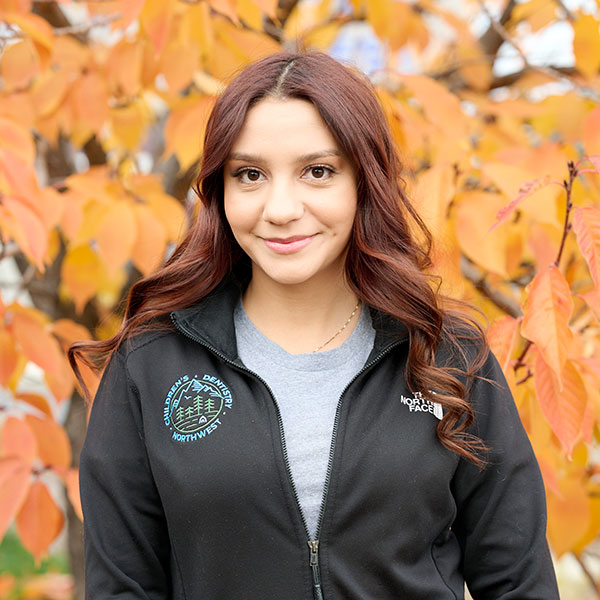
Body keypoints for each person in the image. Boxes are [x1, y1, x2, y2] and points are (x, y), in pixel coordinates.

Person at [71, 51, 559, 599]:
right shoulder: (151, 364)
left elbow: (519, 583)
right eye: (250, 174)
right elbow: (122, 587)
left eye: (318, 172)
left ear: (363, 183)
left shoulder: (448, 358)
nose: (281, 208)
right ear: (219, 191)